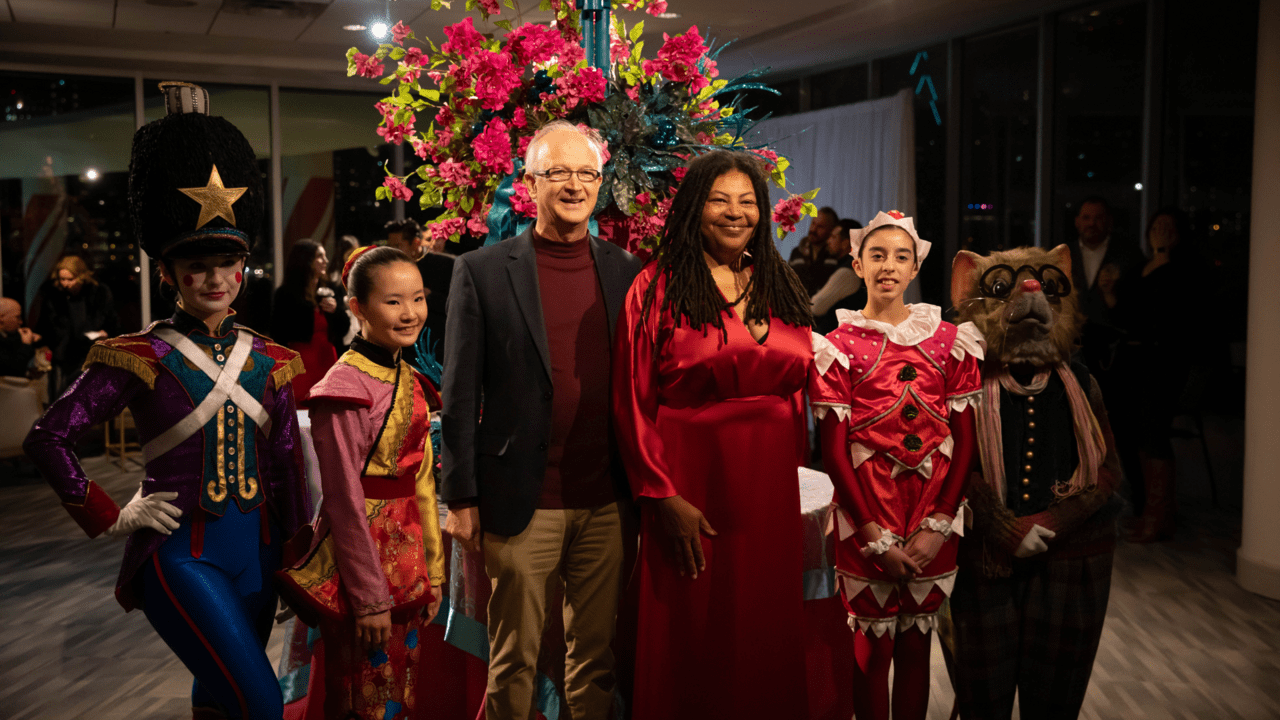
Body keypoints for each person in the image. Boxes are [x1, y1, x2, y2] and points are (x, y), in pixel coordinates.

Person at [23, 81, 308, 720]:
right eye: (196, 265)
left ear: (243, 268)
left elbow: (287, 468)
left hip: (260, 557)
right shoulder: (138, 354)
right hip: (181, 556)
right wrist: (111, 514)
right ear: (169, 273)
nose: (214, 278)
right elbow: (48, 436)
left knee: (219, 697)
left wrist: (299, 561)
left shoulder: (273, 359)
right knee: (262, 704)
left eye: (227, 263)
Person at [441, 120, 642, 720]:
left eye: (587, 173)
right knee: (514, 660)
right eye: (558, 172)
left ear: (601, 183)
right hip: (521, 498)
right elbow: (458, 393)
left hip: (606, 498)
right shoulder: (482, 271)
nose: (574, 185)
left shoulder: (626, 270)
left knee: (596, 659)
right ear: (529, 184)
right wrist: (461, 497)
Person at [612, 150, 814, 719]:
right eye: (719, 200)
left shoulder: (778, 282)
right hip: (691, 485)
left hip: (769, 489)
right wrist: (662, 496)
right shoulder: (657, 286)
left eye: (747, 201)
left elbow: (798, 390)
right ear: (693, 209)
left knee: (763, 625)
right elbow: (631, 401)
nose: (735, 212)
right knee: (695, 630)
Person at [808, 211, 983, 720]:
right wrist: (872, 536)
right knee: (872, 651)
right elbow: (834, 454)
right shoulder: (837, 348)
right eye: (877, 256)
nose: (889, 266)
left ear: (915, 268)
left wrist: (939, 523)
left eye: (901, 257)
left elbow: (965, 444)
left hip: (933, 514)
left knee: (916, 647)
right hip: (867, 516)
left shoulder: (951, 343)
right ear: (857, 265)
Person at [946, 244, 1122, 720]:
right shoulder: (962, 381)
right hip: (986, 563)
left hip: (1072, 564)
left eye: (1048, 284)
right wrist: (1005, 528)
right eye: (1002, 286)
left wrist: (1055, 520)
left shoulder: (1081, 383)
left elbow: (1107, 470)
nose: (1030, 290)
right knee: (983, 698)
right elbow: (947, 465)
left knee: (1055, 699)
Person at [276, 245, 445, 720]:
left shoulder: (409, 376)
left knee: (399, 696)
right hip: (361, 569)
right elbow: (344, 499)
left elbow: (423, 483)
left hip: (408, 564)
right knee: (361, 700)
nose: (410, 313)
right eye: (393, 302)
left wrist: (432, 574)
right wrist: (370, 598)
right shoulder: (345, 388)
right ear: (358, 308)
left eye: (418, 299)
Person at [1112, 208, 1201, 542]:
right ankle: (1154, 511)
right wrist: (1109, 293)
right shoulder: (1139, 268)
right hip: (1133, 359)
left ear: (1179, 234)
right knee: (1135, 433)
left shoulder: (1183, 271)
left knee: (1154, 432)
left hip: (1164, 360)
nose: (1160, 231)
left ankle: (1157, 516)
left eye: (1168, 227)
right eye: (1156, 226)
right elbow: (1125, 312)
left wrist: (1164, 254)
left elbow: (1168, 312)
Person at [1065, 197, 1141, 374]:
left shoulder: (1129, 255)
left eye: (1098, 218)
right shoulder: (1063, 254)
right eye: (1086, 218)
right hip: (1071, 348)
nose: (1092, 223)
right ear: (1077, 222)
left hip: (1114, 354)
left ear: (1109, 221)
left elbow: (1139, 305)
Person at [271, 239, 350, 405]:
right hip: (300, 363)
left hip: (327, 359)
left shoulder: (329, 290)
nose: (325, 261)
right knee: (300, 406)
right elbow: (279, 334)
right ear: (305, 260)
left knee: (327, 407)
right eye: (319, 256)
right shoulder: (286, 294)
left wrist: (336, 310)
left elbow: (344, 329)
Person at [33, 254, 120, 397]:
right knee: (62, 397)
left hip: (91, 354)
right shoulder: (54, 296)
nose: (65, 284)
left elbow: (112, 322)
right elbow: (46, 326)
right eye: (62, 279)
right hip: (63, 356)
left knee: (88, 397)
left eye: (70, 279)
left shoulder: (98, 293)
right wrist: (42, 342)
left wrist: (106, 332)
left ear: (81, 276)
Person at [387, 219, 455, 362]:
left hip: (440, 352)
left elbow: (461, 306)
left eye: (397, 246)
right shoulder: (388, 271)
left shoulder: (447, 265)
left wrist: (430, 296)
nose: (392, 251)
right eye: (390, 246)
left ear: (416, 243)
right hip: (403, 352)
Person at [811, 217, 866, 335]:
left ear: (845, 243)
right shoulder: (857, 266)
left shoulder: (847, 272)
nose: (828, 241)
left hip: (839, 340)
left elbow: (816, 307)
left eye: (833, 237)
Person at [789, 205, 839, 295]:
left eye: (820, 227)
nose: (813, 229)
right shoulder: (797, 252)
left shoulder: (835, 255)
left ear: (831, 230)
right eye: (813, 223)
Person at [0, 297, 49, 378]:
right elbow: (13, 369)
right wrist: (26, 344)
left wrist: (35, 339)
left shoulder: (8, 334)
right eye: (17, 317)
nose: (21, 322)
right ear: (1, 318)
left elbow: (14, 342)